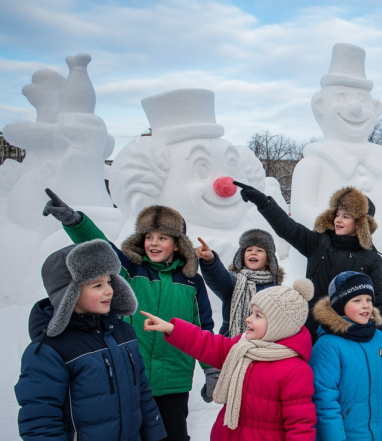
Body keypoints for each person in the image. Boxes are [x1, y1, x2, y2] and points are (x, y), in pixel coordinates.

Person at [43, 189, 215, 441]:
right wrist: (75, 221)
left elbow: (203, 327)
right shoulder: (130, 270)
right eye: (149, 237)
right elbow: (100, 246)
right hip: (132, 375)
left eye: (163, 237)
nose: (154, 243)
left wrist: (211, 369)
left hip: (174, 379)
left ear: (177, 244)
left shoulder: (191, 281)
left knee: (174, 435)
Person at [16, 240, 167, 441]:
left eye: (109, 282)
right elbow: (41, 423)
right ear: (69, 294)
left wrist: (156, 435)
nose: (109, 291)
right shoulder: (49, 351)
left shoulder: (124, 333)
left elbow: (143, 395)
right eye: (97, 285)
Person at [142, 280, 318, 441]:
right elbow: (208, 344)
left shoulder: (295, 371)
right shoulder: (242, 347)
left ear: (278, 325)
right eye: (251, 312)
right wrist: (173, 329)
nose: (248, 319)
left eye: (258, 316)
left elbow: (300, 426)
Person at [234, 182, 382, 346]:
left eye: (346, 216)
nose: (338, 220)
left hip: (348, 338)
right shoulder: (319, 242)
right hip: (311, 331)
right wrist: (264, 202)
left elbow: (378, 304)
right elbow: (288, 228)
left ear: (360, 223)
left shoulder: (371, 258)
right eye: (337, 214)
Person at [310, 271, 382, 441]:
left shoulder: (379, 339)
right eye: (357, 300)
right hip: (347, 435)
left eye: (368, 299)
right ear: (340, 305)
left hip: (378, 434)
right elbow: (324, 402)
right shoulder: (328, 346)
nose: (366, 305)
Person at [196, 230, 285, 402]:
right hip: (233, 349)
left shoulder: (278, 291)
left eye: (259, 250)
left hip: (263, 354)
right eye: (248, 249)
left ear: (269, 259)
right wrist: (210, 260)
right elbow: (217, 277)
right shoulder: (233, 282)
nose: (253, 252)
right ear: (241, 256)